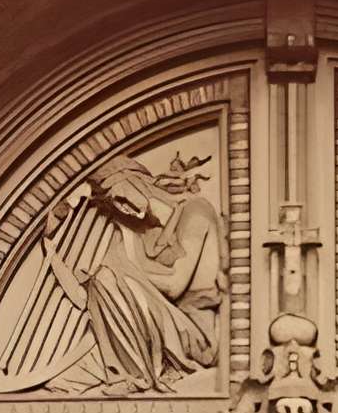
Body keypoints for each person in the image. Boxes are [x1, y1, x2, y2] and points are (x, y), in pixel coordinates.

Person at [45, 153, 223, 394]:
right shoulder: (134, 231)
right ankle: (124, 370)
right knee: (103, 278)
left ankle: (136, 373)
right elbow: (90, 294)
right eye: (113, 203)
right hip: (159, 327)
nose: (122, 207)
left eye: (120, 196)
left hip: (195, 336)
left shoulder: (196, 211)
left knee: (108, 275)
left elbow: (174, 285)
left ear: (135, 181)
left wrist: (123, 269)